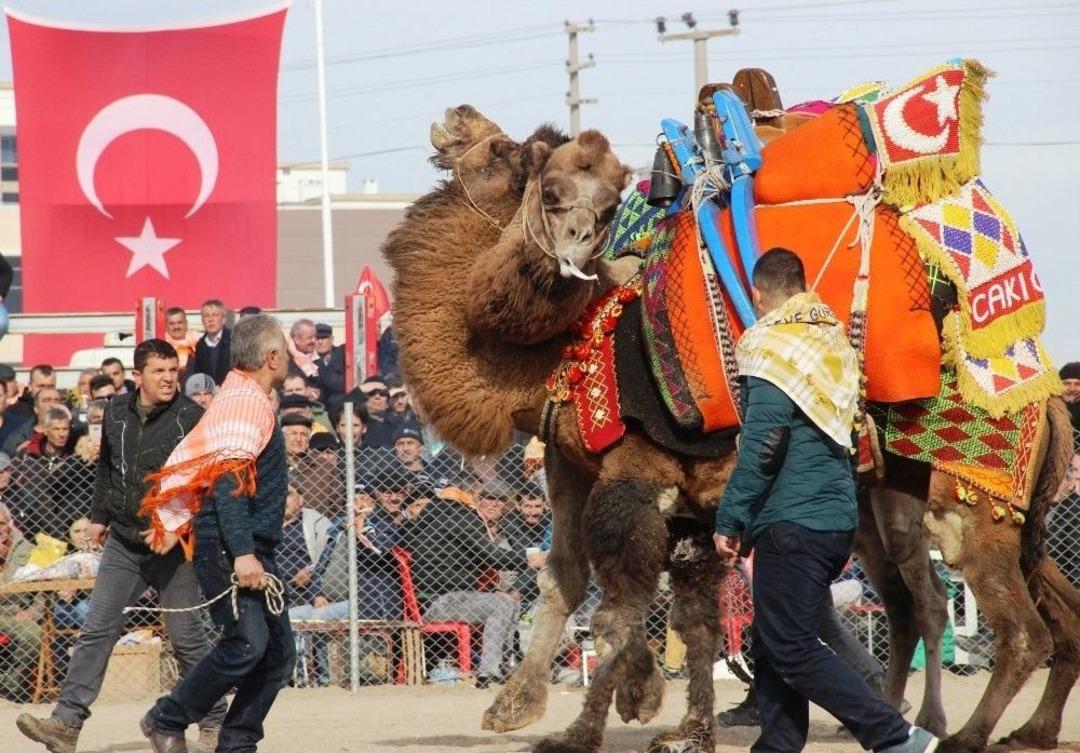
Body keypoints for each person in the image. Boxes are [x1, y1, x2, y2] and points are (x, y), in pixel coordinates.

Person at [712, 248, 934, 753]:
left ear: (758, 294)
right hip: (833, 518)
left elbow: (765, 444)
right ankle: (777, 746)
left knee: (790, 646)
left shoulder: (769, 345)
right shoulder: (831, 340)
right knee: (772, 642)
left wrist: (731, 518)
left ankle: (894, 737)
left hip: (793, 520)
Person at [16, 339, 227, 753]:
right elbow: (108, 471)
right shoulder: (114, 413)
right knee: (97, 629)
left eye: (173, 370)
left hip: (176, 545)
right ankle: (66, 724)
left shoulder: (192, 417)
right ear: (138, 377)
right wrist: (98, 518)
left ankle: (215, 719)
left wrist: (174, 526)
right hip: (125, 542)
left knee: (187, 640)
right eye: (159, 371)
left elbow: (204, 484)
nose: (169, 378)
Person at [139, 314, 294, 753]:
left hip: (249, 544)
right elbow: (228, 484)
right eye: (284, 347)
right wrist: (243, 554)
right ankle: (166, 718)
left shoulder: (247, 398)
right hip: (232, 545)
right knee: (246, 643)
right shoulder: (244, 403)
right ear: (271, 356)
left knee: (279, 655)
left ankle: (237, 743)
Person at [0, 502, 42, 703]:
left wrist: (33, 612)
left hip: (19, 614)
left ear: (10, 523)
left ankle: (8, 685)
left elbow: (43, 589)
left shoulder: (29, 550)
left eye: (0, 523)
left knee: (33, 633)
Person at [193, 299, 231, 386]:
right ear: (202, 320)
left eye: (215, 315)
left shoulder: (234, 340)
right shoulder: (200, 345)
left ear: (223, 319)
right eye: (206, 316)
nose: (210, 319)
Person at [165, 307, 202, 373]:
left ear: (186, 324)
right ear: (166, 326)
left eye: (180, 322)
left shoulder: (199, 341)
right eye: (172, 323)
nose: (176, 327)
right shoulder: (161, 346)